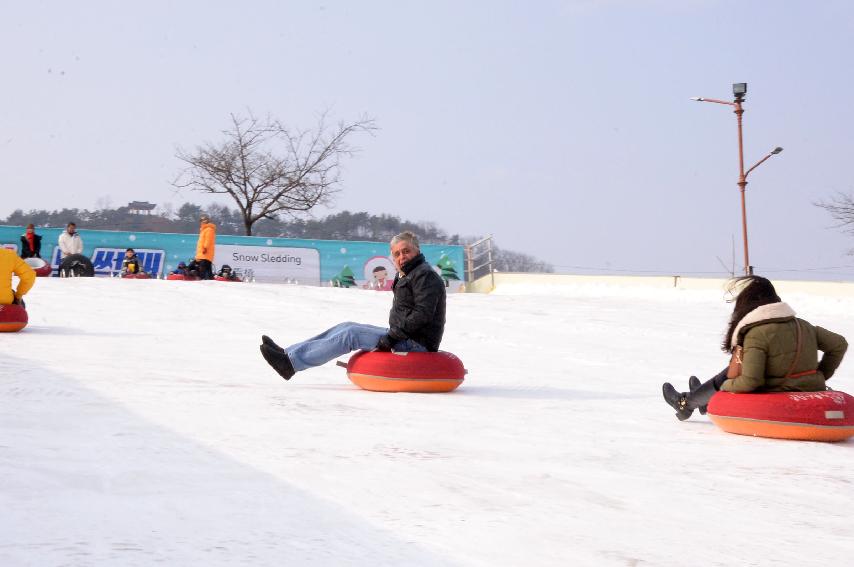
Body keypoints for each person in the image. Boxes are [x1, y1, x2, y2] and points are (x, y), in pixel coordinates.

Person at [259, 231, 446, 380]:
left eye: (406, 251)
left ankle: (290, 364)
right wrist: (394, 334)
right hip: (403, 335)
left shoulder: (424, 275)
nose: (402, 257)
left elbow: (422, 315)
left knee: (351, 335)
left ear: (417, 251)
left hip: (417, 343)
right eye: (397, 254)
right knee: (346, 326)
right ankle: (288, 353)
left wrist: (391, 338)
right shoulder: (408, 273)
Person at [662, 275, 848, 421]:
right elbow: (839, 344)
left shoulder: (757, 333)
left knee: (731, 375)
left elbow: (751, 382)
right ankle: (701, 397)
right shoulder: (804, 325)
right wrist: (820, 375)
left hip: (780, 392)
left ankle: (687, 403)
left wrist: (723, 388)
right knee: (735, 368)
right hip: (810, 386)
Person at [195, 213, 216, 280]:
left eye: (203, 220)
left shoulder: (209, 229)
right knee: (208, 269)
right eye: (201, 220)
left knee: (203, 269)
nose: (201, 222)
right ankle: (210, 280)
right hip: (204, 254)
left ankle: (201, 280)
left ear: (206, 221)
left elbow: (208, 240)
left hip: (205, 253)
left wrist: (205, 248)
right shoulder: (204, 230)